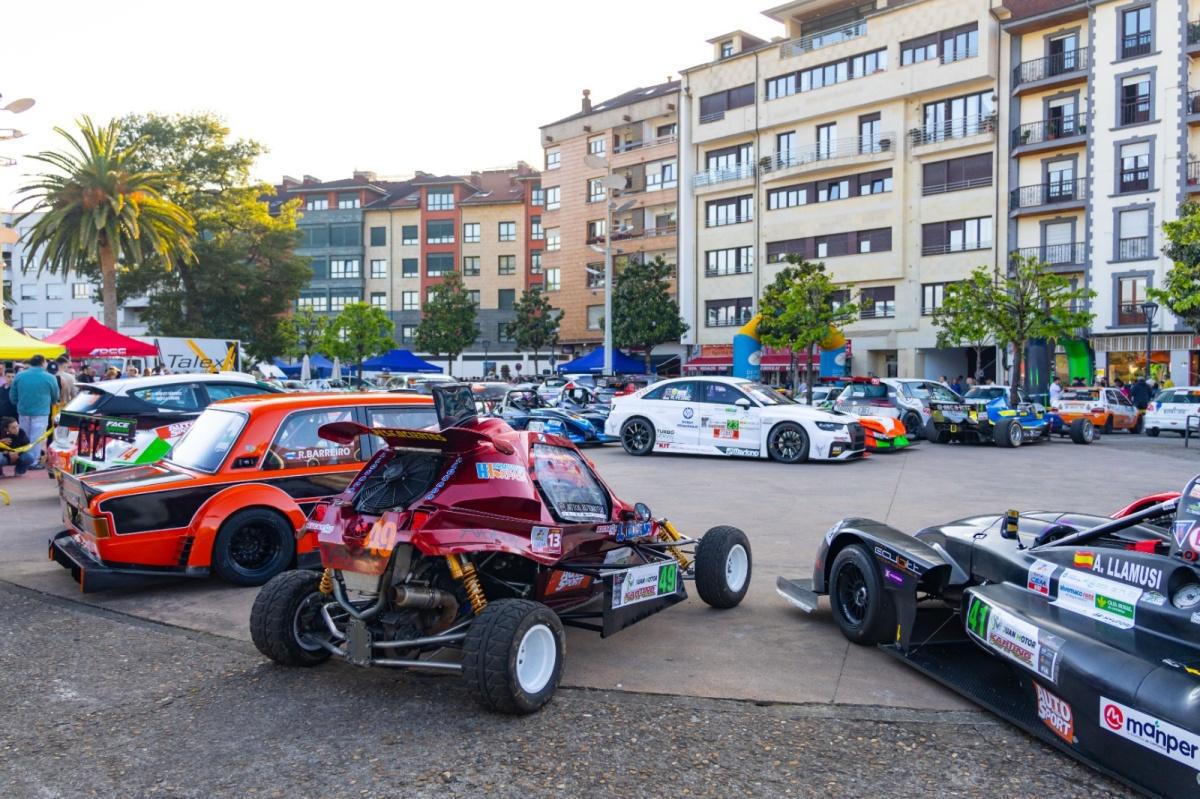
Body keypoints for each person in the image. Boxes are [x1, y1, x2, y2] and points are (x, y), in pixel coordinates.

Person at [8, 354, 59, 467]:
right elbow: (55, 396)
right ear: (43, 363)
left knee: (24, 436)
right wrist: (51, 402)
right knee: (37, 439)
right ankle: (33, 462)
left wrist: (18, 403)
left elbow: (13, 395)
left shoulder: (20, 375)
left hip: (23, 411)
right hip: (41, 412)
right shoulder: (50, 377)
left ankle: (23, 459)